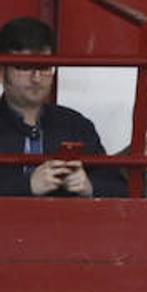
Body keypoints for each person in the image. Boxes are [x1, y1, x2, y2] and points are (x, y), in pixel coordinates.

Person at [0, 16, 124, 198]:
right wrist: (26, 186)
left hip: (70, 225)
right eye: (25, 67)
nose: (36, 78)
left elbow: (120, 189)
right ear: (2, 72)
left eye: (45, 68)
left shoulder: (75, 125)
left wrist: (89, 186)